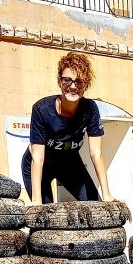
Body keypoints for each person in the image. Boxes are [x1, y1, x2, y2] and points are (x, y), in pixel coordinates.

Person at [22, 51, 112, 204]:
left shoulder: (90, 109)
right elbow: (38, 157)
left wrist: (107, 194)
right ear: (59, 82)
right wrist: (36, 202)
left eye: (79, 82)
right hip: (41, 164)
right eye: (67, 80)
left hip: (69, 162)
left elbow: (96, 154)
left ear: (86, 85)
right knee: (45, 215)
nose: (73, 86)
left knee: (95, 205)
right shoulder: (42, 110)